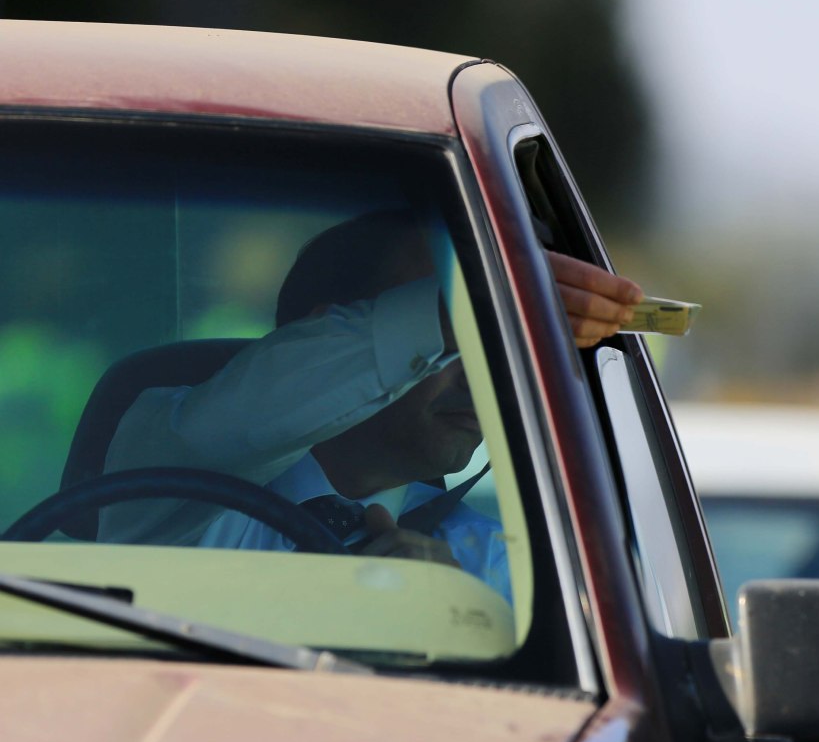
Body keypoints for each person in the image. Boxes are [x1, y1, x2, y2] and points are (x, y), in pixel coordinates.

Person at [97, 209, 644, 603]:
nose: (485, 377)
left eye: (499, 346)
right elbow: (215, 433)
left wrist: (454, 625)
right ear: (325, 337)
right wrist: (460, 304)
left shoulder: (497, 577)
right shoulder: (171, 473)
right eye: (446, 344)